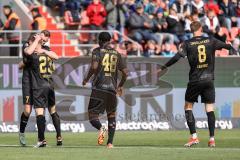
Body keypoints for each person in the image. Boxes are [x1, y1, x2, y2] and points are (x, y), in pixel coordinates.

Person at [159, 21, 237, 148]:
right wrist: (231, 47)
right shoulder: (210, 40)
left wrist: (163, 67)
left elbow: (176, 58)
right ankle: (212, 139)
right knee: (210, 109)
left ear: (191, 30)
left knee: (188, 107)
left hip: (195, 80)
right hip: (209, 80)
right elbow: (227, 46)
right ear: (201, 29)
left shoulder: (187, 44)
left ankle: (194, 137)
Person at [82, 32, 128, 148]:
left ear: (100, 40)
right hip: (112, 89)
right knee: (111, 115)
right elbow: (125, 73)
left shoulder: (97, 51)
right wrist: (120, 86)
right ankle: (110, 143)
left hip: (99, 88)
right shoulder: (117, 53)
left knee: (92, 116)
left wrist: (86, 79)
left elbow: (94, 67)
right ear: (110, 41)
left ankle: (101, 128)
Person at [19, 30, 63, 147]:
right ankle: (22, 133)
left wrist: (41, 48)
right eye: (42, 38)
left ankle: (43, 139)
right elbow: (27, 53)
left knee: (42, 110)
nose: (44, 39)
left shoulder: (41, 50)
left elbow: (54, 56)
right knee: (28, 110)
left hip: (39, 83)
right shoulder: (27, 45)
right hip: (29, 82)